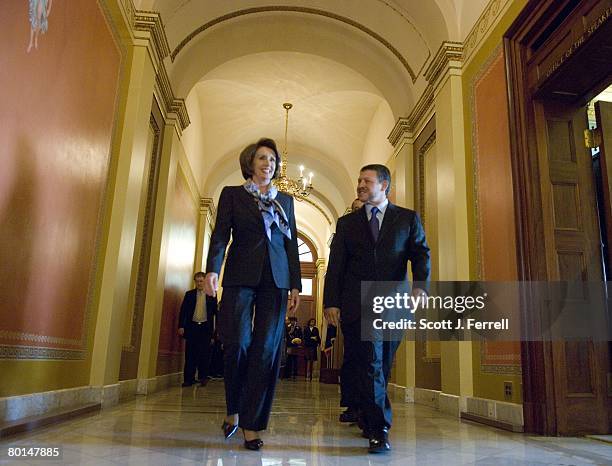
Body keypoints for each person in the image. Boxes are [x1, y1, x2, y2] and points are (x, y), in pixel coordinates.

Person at [324, 164, 430, 454]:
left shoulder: (407, 219)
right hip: (357, 304)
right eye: (359, 180)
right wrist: (330, 302)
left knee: (380, 362)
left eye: (366, 180)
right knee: (370, 361)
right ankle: (379, 428)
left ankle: (367, 414)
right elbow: (336, 267)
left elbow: (420, 252)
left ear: (384, 185)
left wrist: (421, 285)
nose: (359, 184)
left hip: (393, 303)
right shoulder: (347, 224)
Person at [204, 137, 301, 451]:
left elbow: (290, 244)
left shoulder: (285, 200)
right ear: (250, 162)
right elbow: (220, 235)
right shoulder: (233, 195)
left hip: (277, 278)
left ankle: (251, 425)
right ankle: (233, 408)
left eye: (272, 160)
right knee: (238, 345)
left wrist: (296, 285)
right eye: (262, 158)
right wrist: (212, 269)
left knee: (266, 351)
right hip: (239, 276)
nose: (268, 164)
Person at [338, 197, 365, 423]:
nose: (358, 212)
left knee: (371, 359)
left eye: (361, 208)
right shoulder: (344, 230)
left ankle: (367, 406)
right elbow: (337, 270)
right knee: (352, 357)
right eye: (354, 209)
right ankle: (351, 405)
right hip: (351, 302)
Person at [178, 272, 218, 387]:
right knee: (190, 354)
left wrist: (217, 331)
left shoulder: (212, 295)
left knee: (204, 354)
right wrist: (181, 326)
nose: (199, 283)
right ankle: (188, 379)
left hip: (206, 328)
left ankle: (203, 378)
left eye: (201, 281)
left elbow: (216, 313)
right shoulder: (189, 295)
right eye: (197, 281)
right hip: (192, 327)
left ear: (205, 281)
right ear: (195, 282)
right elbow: (183, 311)